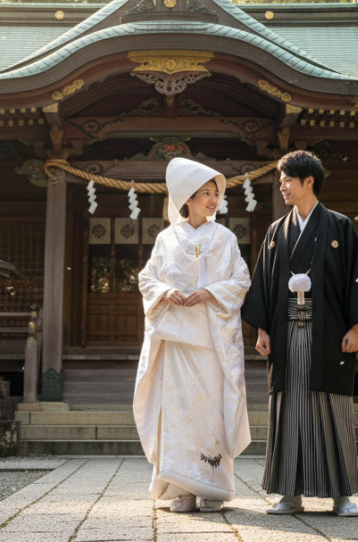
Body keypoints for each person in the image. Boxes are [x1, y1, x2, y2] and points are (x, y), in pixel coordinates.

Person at [241, 150, 358, 516]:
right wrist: (261, 328)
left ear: (309, 181)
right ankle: (290, 493)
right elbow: (265, 286)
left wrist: (355, 327)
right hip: (286, 333)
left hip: (330, 333)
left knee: (333, 407)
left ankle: (342, 494)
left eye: (288, 179)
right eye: (281, 179)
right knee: (289, 409)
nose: (282, 185)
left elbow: (355, 279)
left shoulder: (339, 225)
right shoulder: (276, 231)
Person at [134, 157, 252, 513]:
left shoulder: (225, 237)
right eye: (205, 194)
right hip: (176, 341)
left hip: (211, 341)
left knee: (209, 413)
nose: (213, 200)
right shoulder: (166, 238)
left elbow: (241, 280)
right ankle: (180, 489)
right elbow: (146, 278)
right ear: (187, 198)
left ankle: (212, 489)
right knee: (177, 413)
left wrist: (211, 292)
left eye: (216, 194)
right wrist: (163, 292)